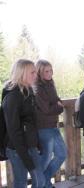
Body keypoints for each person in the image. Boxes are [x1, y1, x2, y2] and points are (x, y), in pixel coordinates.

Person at [2, 59, 45, 188]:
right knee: (21, 183)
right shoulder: (12, 97)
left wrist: (37, 143)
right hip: (17, 148)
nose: (36, 75)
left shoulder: (28, 92)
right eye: (32, 72)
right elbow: (13, 131)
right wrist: (26, 157)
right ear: (22, 74)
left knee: (40, 181)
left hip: (30, 145)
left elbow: (31, 121)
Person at [34, 60, 67, 188]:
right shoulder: (37, 87)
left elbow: (57, 100)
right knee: (45, 159)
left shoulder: (50, 84)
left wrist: (57, 105)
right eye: (46, 71)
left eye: (51, 70)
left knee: (62, 154)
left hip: (53, 126)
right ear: (39, 72)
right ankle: (40, 184)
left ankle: (44, 182)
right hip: (43, 127)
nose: (49, 73)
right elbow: (46, 109)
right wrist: (59, 107)